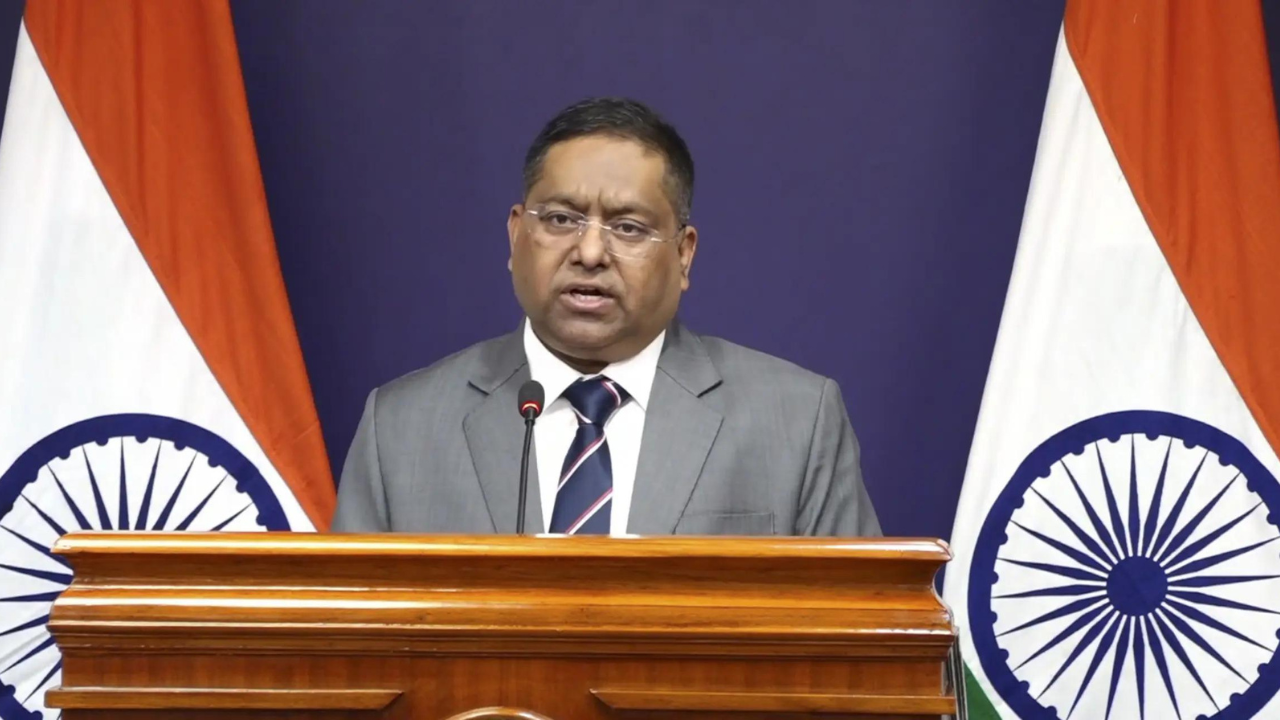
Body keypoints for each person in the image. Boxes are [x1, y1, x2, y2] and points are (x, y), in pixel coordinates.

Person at [332, 97, 881, 537]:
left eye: (628, 228)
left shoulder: (796, 422)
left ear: (684, 255)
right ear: (516, 235)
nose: (590, 253)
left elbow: (857, 633)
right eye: (561, 219)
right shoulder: (400, 429)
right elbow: (349, 638)